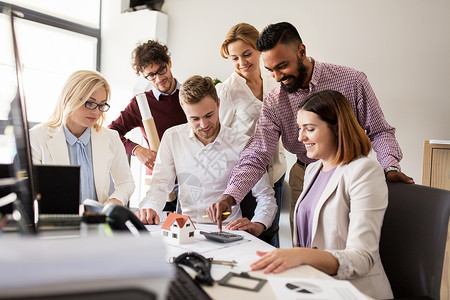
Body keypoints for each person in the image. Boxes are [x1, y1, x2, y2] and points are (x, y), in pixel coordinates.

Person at [210, 21, 414, 232]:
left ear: (301, 51)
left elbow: (379, 130)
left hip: (350, 173)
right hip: (304, 175)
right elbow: (258, 152)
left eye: (282, 66)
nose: (278, 77)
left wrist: (390, 166)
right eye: (270, 70)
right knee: (305, 243)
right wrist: (231, 195)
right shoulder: (274, 100)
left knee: (349, 241)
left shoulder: (351, 81)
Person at [250, 90, 393, 299]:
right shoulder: (312, 170)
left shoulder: (364, 171)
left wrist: (301, 256)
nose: (300, 137)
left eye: (309, 129)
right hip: (313, 286)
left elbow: (362, 258)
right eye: (300, 128)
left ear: (337, 129)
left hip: (351, 291)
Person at [136, 76, 276, 237]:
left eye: (209, 115)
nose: (203, 125)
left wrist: (258, 224)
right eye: (194, 119)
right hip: (184, 228)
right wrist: (150, 208)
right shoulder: (172, 137)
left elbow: (265, 196)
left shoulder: (242, 142)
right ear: (184, 110)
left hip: (229, 230)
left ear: (218, 103)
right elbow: (160, 184)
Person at [217, 23, 287, 246]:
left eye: (247, 54)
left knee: (271, 232)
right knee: (249, 237)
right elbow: (222, 137)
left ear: (259, 49)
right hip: (247, 177)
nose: (242, 63)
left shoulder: (273, 80)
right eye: (234, 58)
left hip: (276, 170)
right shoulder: (227, 90)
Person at [30, 70, 134, 206]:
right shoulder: (37, 137)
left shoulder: (111, 137)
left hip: (98, 222)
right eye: (90, 103)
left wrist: (115, 200)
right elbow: (29, 189)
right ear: (69, 99)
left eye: (102, 105)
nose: (97, 112)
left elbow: (126, 182)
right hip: (58, 221)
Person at [108, 40, 186, 211]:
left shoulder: (190, 94)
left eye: (161, 70)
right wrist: (137, 149)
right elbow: (111, 132)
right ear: (144, 75)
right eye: (151, 75)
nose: (158, 78)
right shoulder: (141, 103)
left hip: (193, 179)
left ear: (169, 62)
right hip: (162, 185)